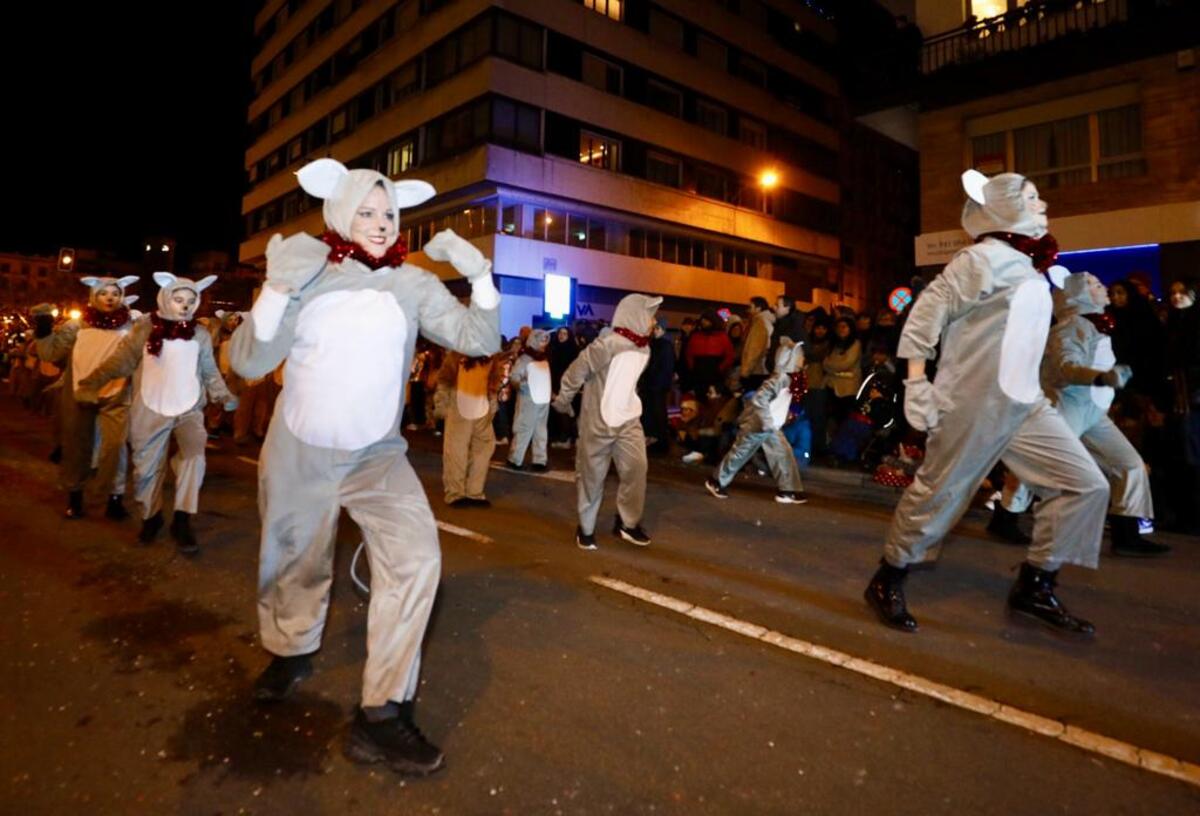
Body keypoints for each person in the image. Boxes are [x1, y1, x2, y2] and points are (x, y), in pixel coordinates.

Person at [228, 158, 501, 776]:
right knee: (294, 561)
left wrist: (479, 274)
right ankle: (290, 648)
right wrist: (275, 287)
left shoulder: (410, 282)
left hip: (377, 455)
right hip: (301, 448)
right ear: (339, 211)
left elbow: (478, 338)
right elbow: (248, 362)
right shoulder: (308, 272)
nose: (379, 224)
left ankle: (381, 714)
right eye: (367, 211)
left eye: (388, 214)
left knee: (417, 560)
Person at [864, 170, 1110, 637]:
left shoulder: (1028, 265)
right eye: (1032, 197)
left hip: (1027, 405)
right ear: (1004, 207)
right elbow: (924, 317)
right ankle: (888, 576)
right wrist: (916, 384)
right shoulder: (981, 259)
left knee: (1086, 484)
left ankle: (1036, 584)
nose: (1043, 204)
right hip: (973, 404)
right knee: (939, 495)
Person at [78, 273, 236, 554]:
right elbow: (122, 361)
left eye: (190, 301)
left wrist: (222, 393)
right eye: (178, 299)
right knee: (146, 468)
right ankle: (151, 517)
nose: (185, 306)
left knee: (194, 459)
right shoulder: (145, 328)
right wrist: (92, 381)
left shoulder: (199, 333)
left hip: (189, 409)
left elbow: (210, 370)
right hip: (149, 408)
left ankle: (183, 519)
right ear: (165, 298)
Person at [553, 294, 662, 550]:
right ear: (635, 314)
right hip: (598, 423)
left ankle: (628, 523)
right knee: (592, 477)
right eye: (650, 314)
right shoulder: (607, 344)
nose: (653, 320)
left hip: (629, 421)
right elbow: (576, 370)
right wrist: (564, 400)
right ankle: (586, 527)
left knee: (637, 469)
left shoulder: (645, 348)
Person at [35, 275, 140, 520]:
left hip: (116, 394)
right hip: (80, 393)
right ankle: (75, 498)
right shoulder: (78, 325)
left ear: (122, 297)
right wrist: (43, 327)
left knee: (115, 448)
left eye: (115, 293)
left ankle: (114, 498)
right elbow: (51, 352)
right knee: (76, 446)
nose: (110, 298)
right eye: (104, 293)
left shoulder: (129, 326)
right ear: (94, 296)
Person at [705, 339, 807, 504]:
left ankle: (788, 490)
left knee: (782, 453)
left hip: (769, 424)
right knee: (742, 452)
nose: (802, 360)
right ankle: (716, 481)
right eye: (799, 356)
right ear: (790, 358)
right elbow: (760, 399)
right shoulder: (780, 378)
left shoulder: (789, 379)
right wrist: (767, 422)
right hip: (759, 424)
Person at [506, 329, 552, 471]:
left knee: (541, 431)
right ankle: (515, 458)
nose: (543, 343)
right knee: (524, 428)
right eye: (541, 340)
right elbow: (514, 377)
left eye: (545, 340)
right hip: (529, 399)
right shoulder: (525, 358)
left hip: (543, 400)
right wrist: (522, 385)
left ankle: (540, 460)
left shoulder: (543, 358)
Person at [739, 296, 775, 391]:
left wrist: (745, 371)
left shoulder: (760, 322)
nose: (748, 310)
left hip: (757, 369)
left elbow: (755, 349)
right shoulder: (766, 321)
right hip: (762, 368)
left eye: (750, 307)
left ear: (758, 308)